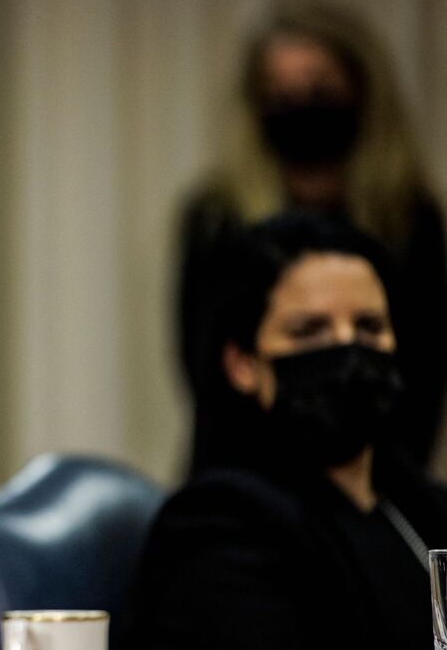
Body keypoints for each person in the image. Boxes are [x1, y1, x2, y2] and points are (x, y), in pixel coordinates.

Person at [127, 214, 447, 650]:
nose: (348, 349)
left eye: (369, 326)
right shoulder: (220, 528)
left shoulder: (419, 504)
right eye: (310, 332)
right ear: (242, 363)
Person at [177, 0, 447, 475]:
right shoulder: (220, 219)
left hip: (380, 479)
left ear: (360, 89)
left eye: (320, 87)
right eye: (281, 92)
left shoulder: (409, 220)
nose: (301, 104)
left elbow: (424, 379)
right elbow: (204, 374)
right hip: (243, 474)